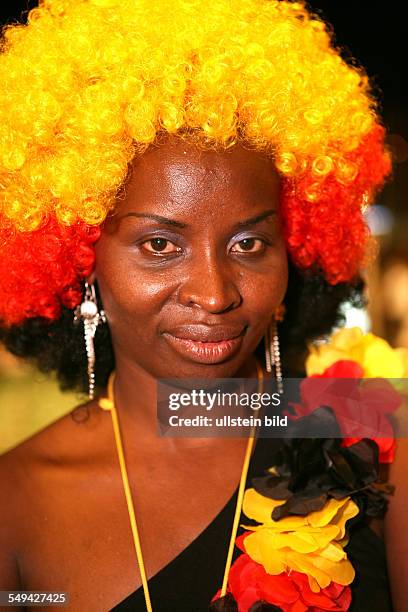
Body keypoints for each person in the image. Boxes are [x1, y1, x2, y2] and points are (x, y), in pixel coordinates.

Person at [0, 0, 405, 610]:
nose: (215, 294)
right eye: (160, 244)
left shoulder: (378, 438)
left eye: (248, 243)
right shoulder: (15, 504)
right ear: (79, 254)